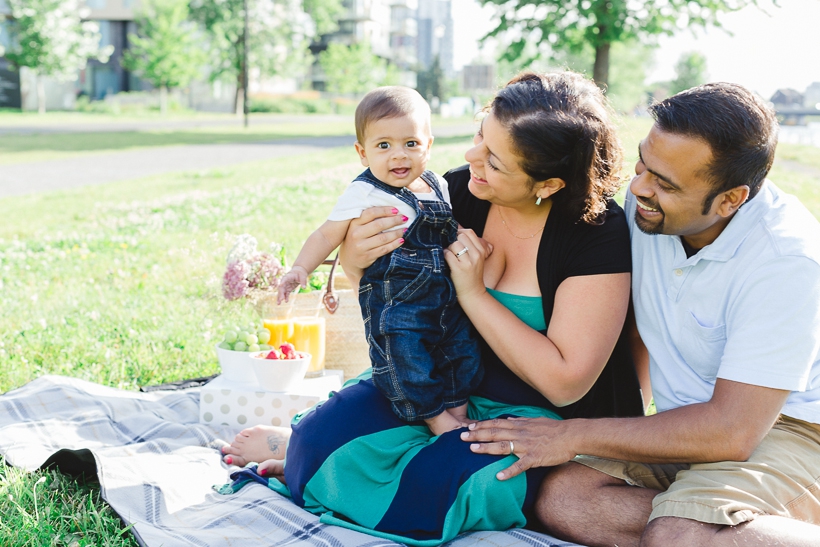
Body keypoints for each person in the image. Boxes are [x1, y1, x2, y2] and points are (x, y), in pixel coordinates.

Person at [221, 71, 644, 545]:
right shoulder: (456, 193)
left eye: (495, 160)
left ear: (547, 183)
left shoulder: (595, 235)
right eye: (480, 135)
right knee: (316, 447)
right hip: (439, 384)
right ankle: (299, 447)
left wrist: (474, 295)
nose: (470, 158)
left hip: (535, 415)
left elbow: (565, 384)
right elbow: (396, 298)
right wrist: (359, 262)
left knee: (449, 485)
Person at [461, 82, 820, 547]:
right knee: (560, 499)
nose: (638, 188)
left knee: (677, 535)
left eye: (665, 184)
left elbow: (734, 431)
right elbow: (635, 326)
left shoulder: (785, 261)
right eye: (643, 165)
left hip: (782, 432)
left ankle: (698, 528)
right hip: (682, 424)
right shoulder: (648, 209)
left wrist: (571, 435)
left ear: (731, 199)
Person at [276, 85, 482, 435]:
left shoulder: (437, 186)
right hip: (396, 303)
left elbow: (449, 227)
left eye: (411, 144)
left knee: (461, 352)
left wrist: (469, 242)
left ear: (428, 145)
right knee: (406, 359)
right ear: (362, 152)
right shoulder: (364, 192)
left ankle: (458, 411)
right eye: (383, 146)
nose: (398, 155)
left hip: (444, 298)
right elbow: (328, 234)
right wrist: (301, 267)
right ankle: (436, 419)